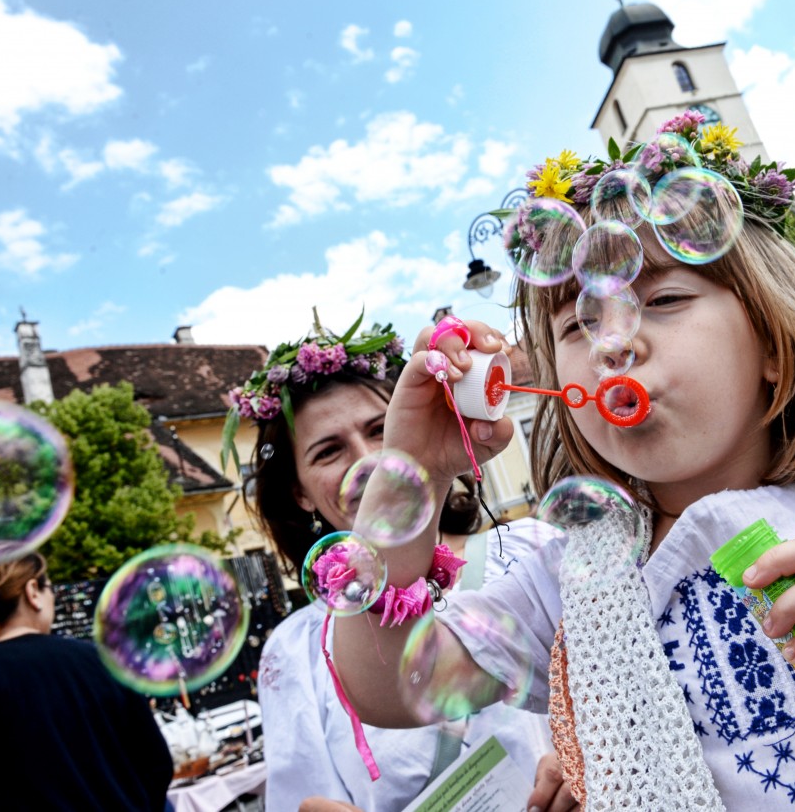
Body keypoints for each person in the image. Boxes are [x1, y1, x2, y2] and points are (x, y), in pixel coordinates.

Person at [330, 113, 795, 809]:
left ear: (774, 344)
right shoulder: (578, 576)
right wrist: (413, 472)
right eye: (579, 323)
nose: (616, 341)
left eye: (667, 298)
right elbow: (396, 684)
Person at [228, 313, 574, 812]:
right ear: (300, 493)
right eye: (329, 452)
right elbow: (303, 799)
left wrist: (579, 761)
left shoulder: (524, 552)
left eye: (380, 430)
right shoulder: (295, 651)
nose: (368, 460)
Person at [0, 552, 174, 810]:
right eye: (50, 588)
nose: (53, 597)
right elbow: (156, 764)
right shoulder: (104, 661)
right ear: (32, 591)